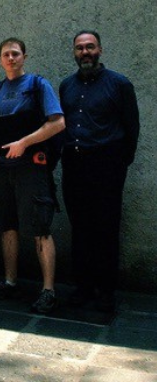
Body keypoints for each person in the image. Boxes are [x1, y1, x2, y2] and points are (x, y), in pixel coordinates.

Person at [59, 31, 139, 312]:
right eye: (80, 48)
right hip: (75, 165)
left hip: (107, 166)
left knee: (105, 229)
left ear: (100, 50)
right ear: (74, 52)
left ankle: (106, 291)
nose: (85, 52)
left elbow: (132, 129)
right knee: (80, 228)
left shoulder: (119, 85)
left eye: (90, 47)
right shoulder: (66, 86)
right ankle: (83, 287)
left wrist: (118, 163)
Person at [0, 38, 65, 314]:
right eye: (5, 54)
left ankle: (48, 290)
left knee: (40, 227)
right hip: (4, 170)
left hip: (32, 167)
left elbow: (58, 123)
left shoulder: (37, 85)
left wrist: (24, 143)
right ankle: (9, 282)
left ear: (24, 57)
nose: (10, 58)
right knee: (7, 226)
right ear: (0, 59)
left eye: (15, 54)